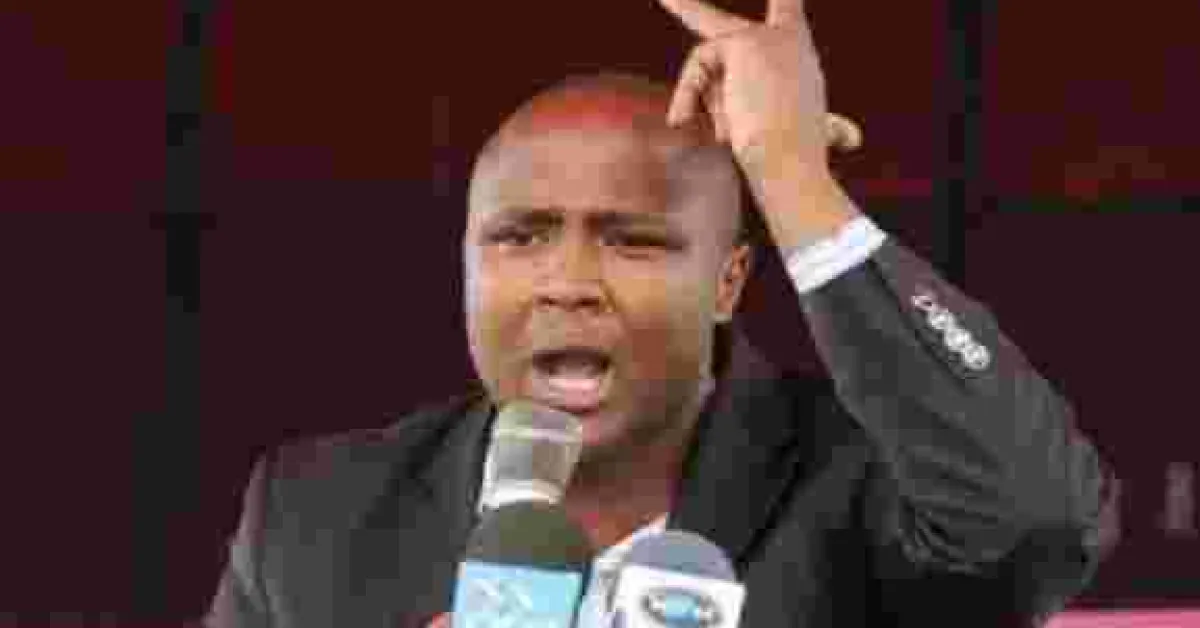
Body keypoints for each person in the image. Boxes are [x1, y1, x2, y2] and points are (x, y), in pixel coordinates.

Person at [204, 0, 1117, 626]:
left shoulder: (855, 493)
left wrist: (789, 174)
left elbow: (1037, 520)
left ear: (728, 282)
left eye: (632, 241)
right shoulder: (318, 515)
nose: (567, 282)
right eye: (520, 237)